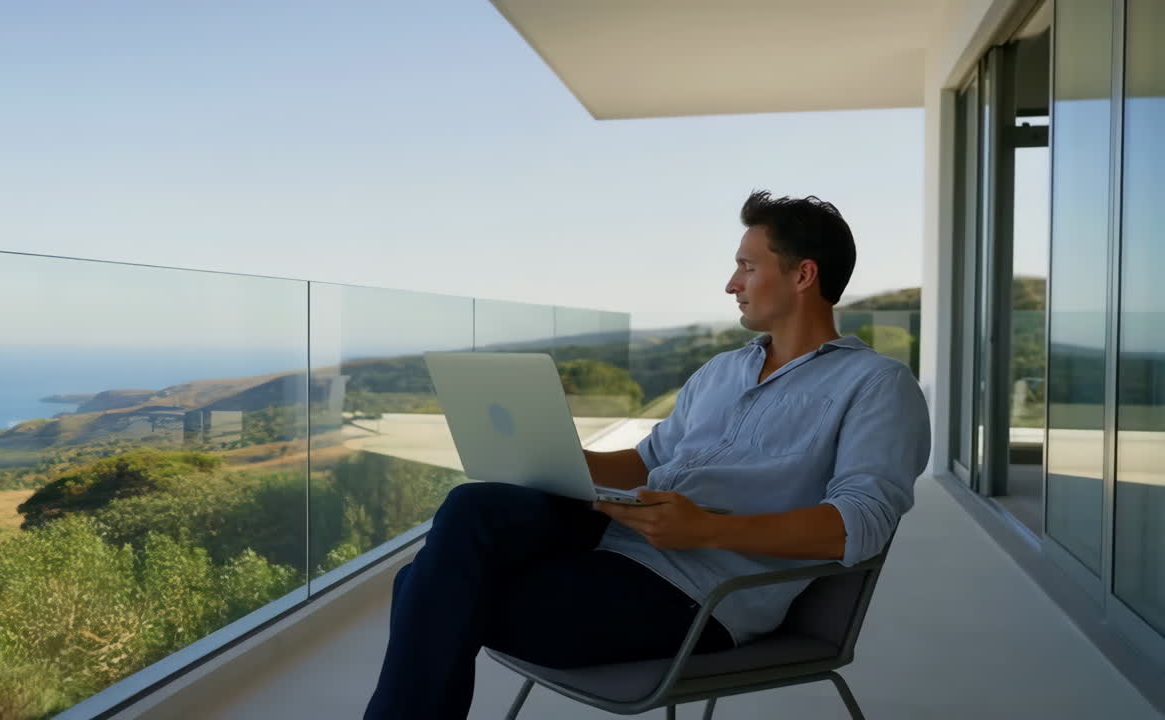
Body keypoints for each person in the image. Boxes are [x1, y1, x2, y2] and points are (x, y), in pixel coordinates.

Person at [363, 191, 931, 719]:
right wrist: (555, 454)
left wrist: (705, 530)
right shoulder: (721, 370)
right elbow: (645, 461)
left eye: (748, 267)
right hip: (617, 535)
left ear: (803, 274)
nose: (732, 284)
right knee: (471, 506)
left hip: (695, 592)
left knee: (424, 589)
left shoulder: (876, 385)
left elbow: (861, 524)